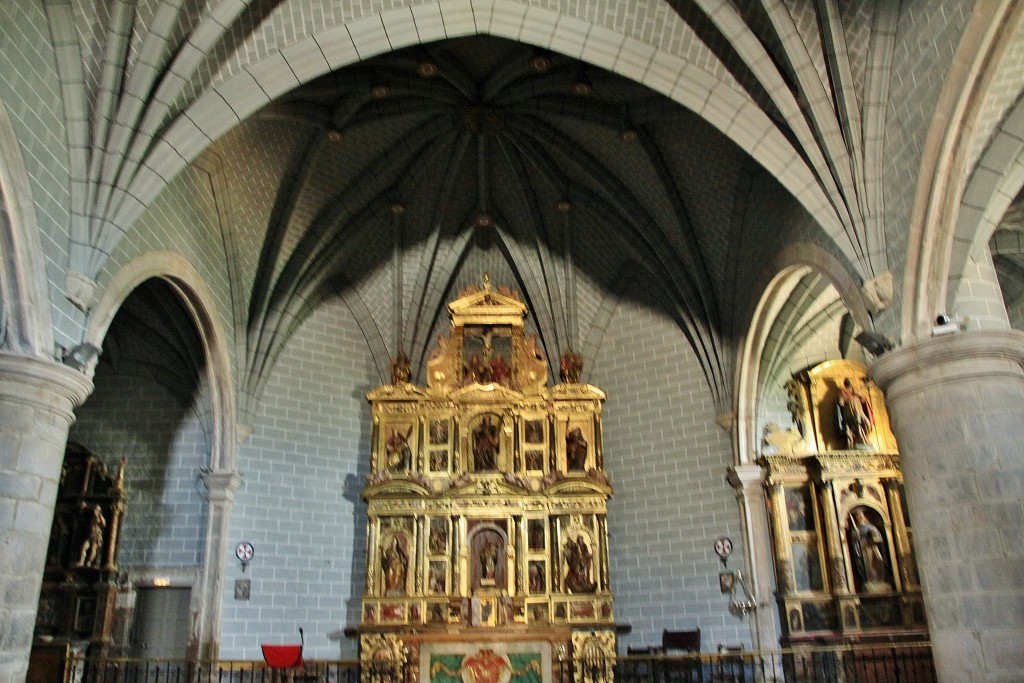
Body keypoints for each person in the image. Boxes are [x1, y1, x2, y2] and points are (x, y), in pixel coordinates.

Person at [848, 509, 890, 592]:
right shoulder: (856, 528)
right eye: (857, 516)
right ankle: (870, 580)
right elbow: (854, 539)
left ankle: (880, 579)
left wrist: (873, 533)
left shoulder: (871, 526)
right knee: (868, 565)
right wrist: (856, 535)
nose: (859, 517)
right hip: (863, 548)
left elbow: (878, 537)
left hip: (872, 547)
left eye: (861, 515)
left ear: (864, 516)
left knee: (877, 562)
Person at [837, 377, 874, 448]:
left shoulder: (855, 390)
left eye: (850, 381)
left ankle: (864, 438)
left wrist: (859, 395)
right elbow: (841, 402)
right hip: (850, 409)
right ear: (845, 383)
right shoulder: (842, 391)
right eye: (847, 382)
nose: (849, 383)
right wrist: (842, 400)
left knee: (867, 423)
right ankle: (860, 440)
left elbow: (863, 400)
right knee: (856, 423)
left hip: (859, 409)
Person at [77, 503, 107, 568]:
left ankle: (89, 562)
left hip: (96, 534)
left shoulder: (99, 517)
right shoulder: (91, 516)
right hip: (90, 534)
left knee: (93, 549)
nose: (95, 510)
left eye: (96, 509)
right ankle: (81, 561)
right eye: (95, 509)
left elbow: (104, 524)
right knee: (84, 547)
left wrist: (100, 515)